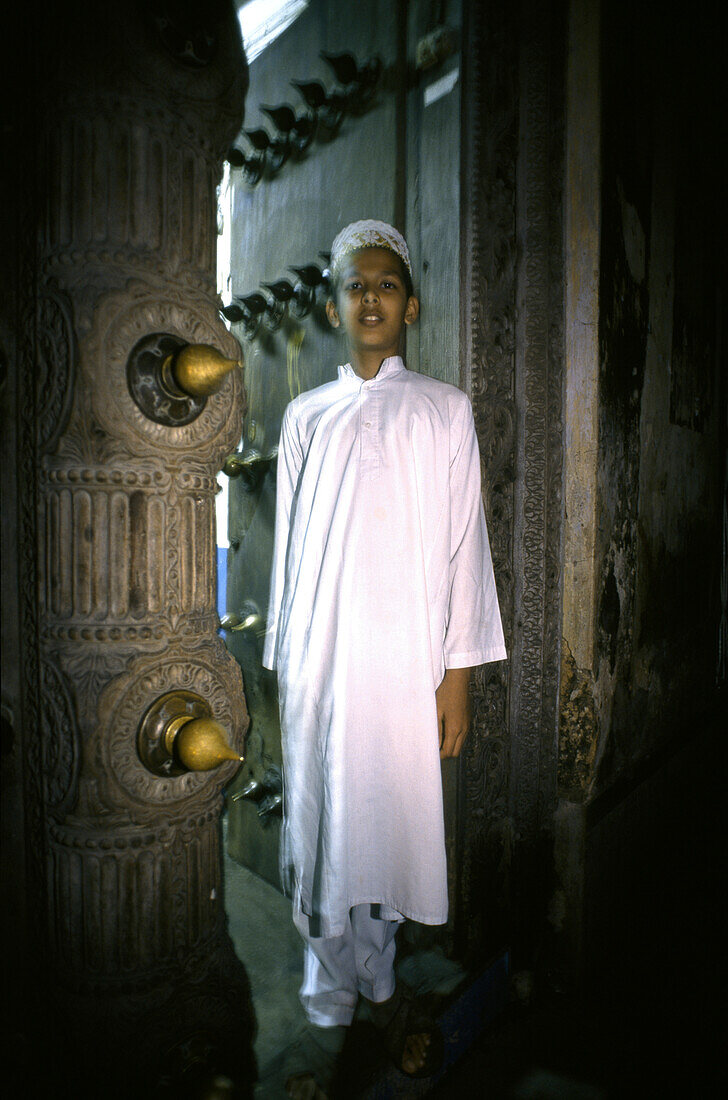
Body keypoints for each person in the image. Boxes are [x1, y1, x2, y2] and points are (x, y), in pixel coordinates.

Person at [262, 219, 506, 1098]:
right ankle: (329, 1002)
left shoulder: (445, 411)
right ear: (335, 304)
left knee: (386, 836)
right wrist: (286, 658)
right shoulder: (305, 416)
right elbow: (291, 550)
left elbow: (464, 554)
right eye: (355, 284)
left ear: (411, 303)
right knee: (324, 828)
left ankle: (381, 979)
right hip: (322, 668)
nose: (371, 297)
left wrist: (459, 680)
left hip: (405, 666)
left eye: (387, 284)